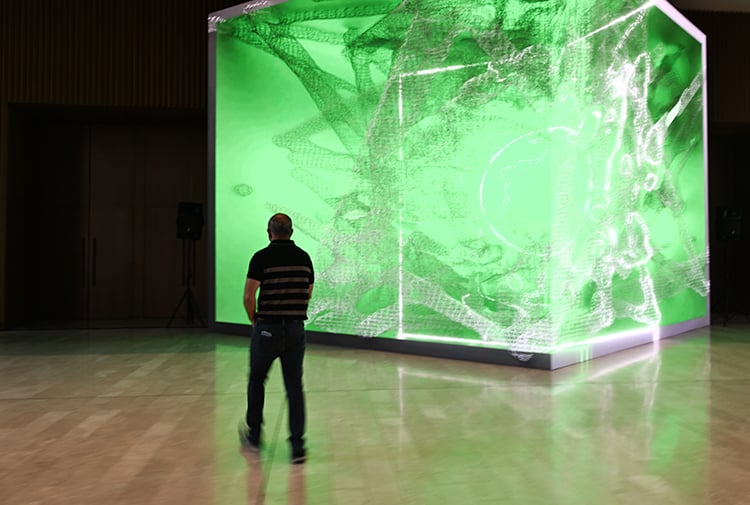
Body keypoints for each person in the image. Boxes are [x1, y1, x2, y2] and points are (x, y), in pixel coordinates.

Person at [239, 213, 314, 464]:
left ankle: (254, 436)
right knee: (294, 386)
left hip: (267, 329)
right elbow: (308, 292)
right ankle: (297, 447)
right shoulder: (304, 257)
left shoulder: (261, 258)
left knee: (257, 380)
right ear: (291, 232)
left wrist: (254, 320)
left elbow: (248, 296)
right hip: (295, 330)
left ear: (269, 232)